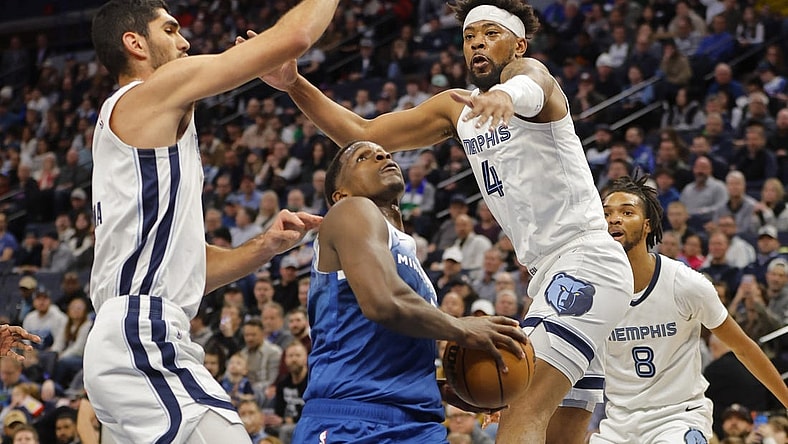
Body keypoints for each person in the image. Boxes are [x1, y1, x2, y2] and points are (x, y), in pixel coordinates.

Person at [252, 0, 634, 441]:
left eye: (491, 34)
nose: (477, 43)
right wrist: (294, 84)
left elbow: (532, 83)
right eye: (470, 37)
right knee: (560, 429)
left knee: (522, 409)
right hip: (550, 273)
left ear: (518, 44)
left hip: (585, 262)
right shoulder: (459, 109)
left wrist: (504, 96)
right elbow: (365, 134)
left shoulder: (530, 80)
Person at [82, 0, 333, 443]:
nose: (185, 41)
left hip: (126, 335)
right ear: (135, 43)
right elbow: (293, 38)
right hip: (142, 334)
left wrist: (264, 246)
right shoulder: (154, 91)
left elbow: (187, 270)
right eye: (171, 30)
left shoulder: (130, 129)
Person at [290, 141, 526, 442]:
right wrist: (461, 328)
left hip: (419, 420)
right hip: (350, 418)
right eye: (362, 157)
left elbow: (389, 335)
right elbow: (382, 304)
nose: (382, 155)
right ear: (340, 195)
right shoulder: (350, 210)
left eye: (384, 153)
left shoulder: (408, 255)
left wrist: (445, 384)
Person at [592, 176, 788, 443]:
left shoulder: (685, 283)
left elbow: (743, 347)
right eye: (606, 213)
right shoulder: (593, 291)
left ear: (648, 225)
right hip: (619, 424)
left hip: (678, 419)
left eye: (627, 212)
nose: (614, 219)